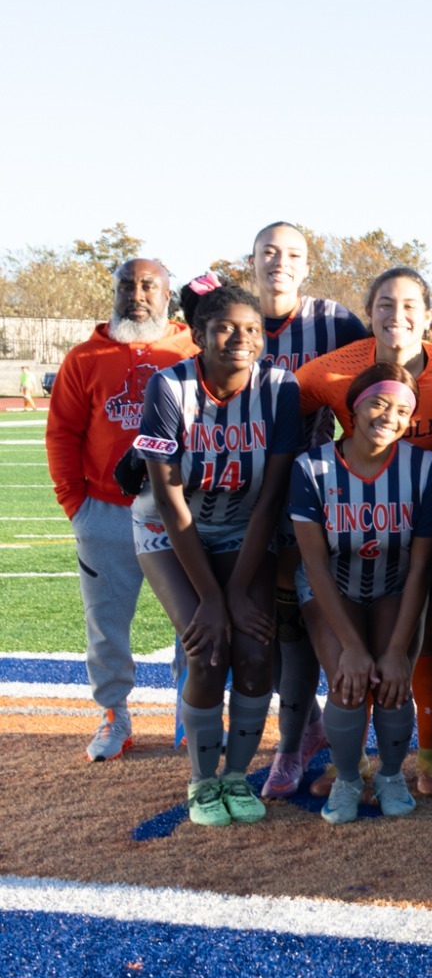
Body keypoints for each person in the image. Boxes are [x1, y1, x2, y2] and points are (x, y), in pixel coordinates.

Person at [298, 266, 432, 797]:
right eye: (385, 304)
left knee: (428, 648)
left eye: (409, 306)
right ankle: (350, 759)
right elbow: (285, 410)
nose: (396, 316)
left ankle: (430, 758)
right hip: (353, 522)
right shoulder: (331, 372)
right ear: (369, 312)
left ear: (428, 316)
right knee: (346, 643)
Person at [131, 284, 301, 826]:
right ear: (199, 334)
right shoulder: (168, 387)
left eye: (252, 329)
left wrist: (233, 592)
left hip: (243, 530)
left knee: (254, 648)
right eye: (225, 327)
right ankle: (203, 782)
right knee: (206, 647)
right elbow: (167, 497)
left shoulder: (279, 387)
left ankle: (235, 777)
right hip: (169, 527)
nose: (241, 338)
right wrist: (211, 598)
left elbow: (270, 498)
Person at [46, 257, 199, 761]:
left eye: (149, 285)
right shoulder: (84, 357)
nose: (138, 293)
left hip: (177, 507)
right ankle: (114, 712)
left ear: (167, 293)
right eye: (127, 284)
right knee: (105, 622)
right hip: (106, 511)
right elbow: (63, 433)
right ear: (114, 290)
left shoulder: (190, 346)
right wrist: (76, 504)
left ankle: (189, 710)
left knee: (192, 619)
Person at [242, 221, 371, 800]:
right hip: (243, 494)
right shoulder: (232, 315)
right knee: (261, 634)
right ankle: (309, 724)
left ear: (307, 264)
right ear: (252, 260)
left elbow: (390, 359)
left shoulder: (336, 323)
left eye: (292, 253)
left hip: (316, 493)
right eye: (269, 252)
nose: (280, 262)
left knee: (293, 629)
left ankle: (289, 747)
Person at [289, 363, 432, 823]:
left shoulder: (425, 468)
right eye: (379, 403)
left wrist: (398, 650)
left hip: (395, 581)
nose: (388, 417)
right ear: (353, 408)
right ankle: (348, 778)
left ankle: (393, 775)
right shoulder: (311, 467)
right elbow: (314, 564)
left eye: (402, 410)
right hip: (332, 583)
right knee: (347, 677)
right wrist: (354, 649)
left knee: (395, 682)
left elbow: (420, 566)